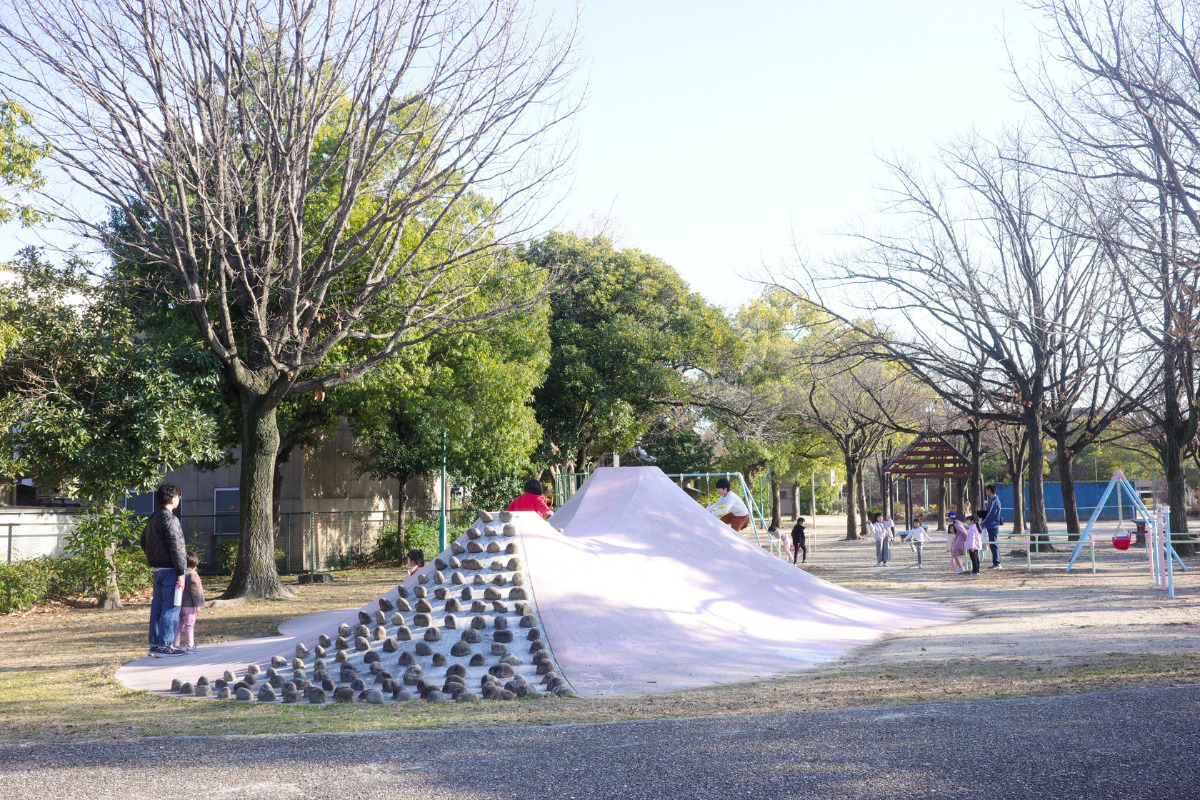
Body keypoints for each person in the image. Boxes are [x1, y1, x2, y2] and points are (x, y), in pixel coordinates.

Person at [140, 482, 187, 658]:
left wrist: (152, 556)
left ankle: (155, 644)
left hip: (158, 570)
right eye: (178, 497)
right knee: (171, 608)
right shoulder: (171, 519)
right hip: (171, 570)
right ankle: (166, 646)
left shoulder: (153, 518)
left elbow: (142, 540)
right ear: (173, 499)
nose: (179, 500)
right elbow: (177, 547)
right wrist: (181, 572)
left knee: (157, 608)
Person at [171, 553, 205, 653]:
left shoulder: (180, 574)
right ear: (195, 563)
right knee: (189, 625)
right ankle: (190, 646)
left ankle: (175, 644)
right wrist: (197, 604)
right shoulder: (193, 575)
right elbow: (195, 591)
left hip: (179, 604)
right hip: (189, 606)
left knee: (179, 626)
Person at [982, 484, 1003, 568]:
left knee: (994, 544)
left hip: (992, 526)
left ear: (989, 491)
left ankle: (997, 563)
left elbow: (990, 514)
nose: (986, 492)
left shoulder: (994, 501)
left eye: (987, 491)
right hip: (991, 525)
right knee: (993, 544)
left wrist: (983, 523)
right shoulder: (993, 501)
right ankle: (996, 562)